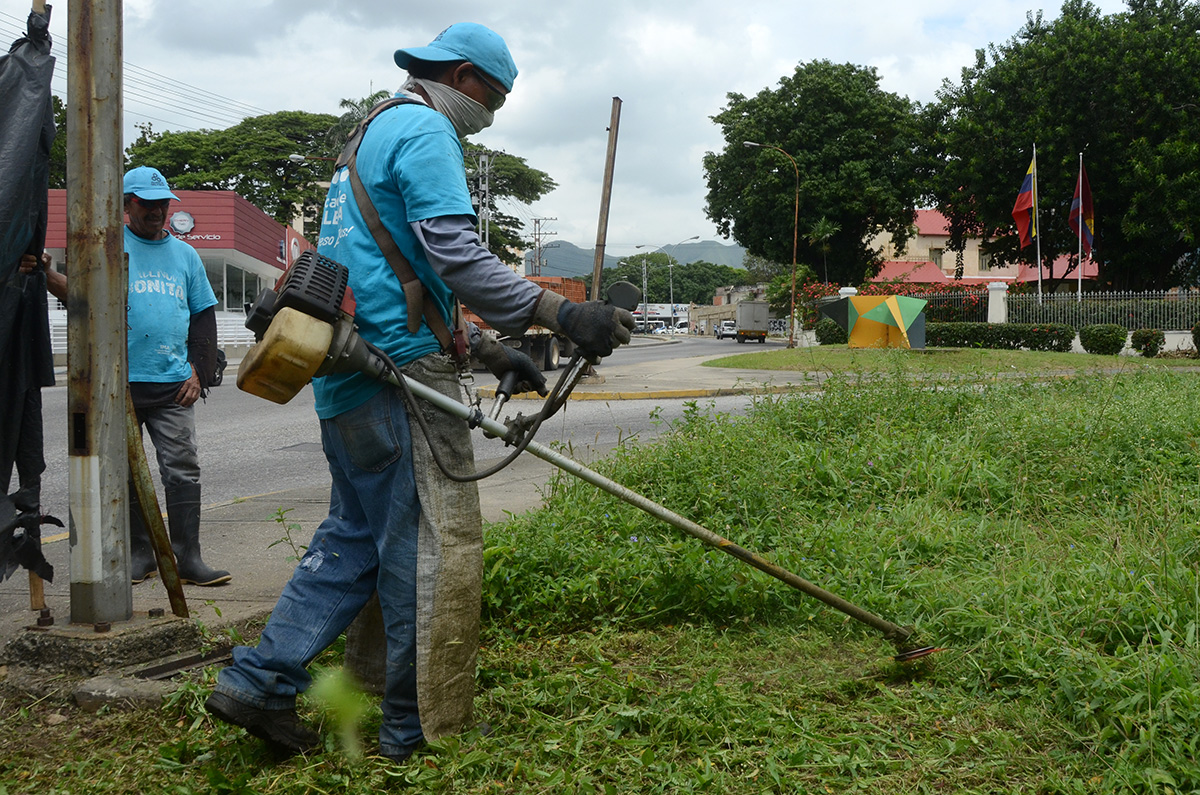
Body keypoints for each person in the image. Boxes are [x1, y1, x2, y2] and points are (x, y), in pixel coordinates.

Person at [205, 22, 634, 762]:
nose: (492, 112)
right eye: (494, 97)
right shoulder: (428, 133)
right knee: (422, 555)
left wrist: (489, 346)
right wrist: (562, 313)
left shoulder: (364, 138)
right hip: (399, 380)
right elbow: (457, 256)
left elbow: (397, 270)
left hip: (347, 373)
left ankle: (260, 679)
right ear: (465, 76)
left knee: (353, 543)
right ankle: (411, 729)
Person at [23, 168, 230, 586]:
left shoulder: (186, 255)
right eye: (146, 203)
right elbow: (80, 295)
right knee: (127, 471)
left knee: (182, 467)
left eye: (162, 204)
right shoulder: (108, 248)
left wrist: (199, 373)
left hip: (173, 383)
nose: (156, 211)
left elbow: (204, 317)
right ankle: (141, 553)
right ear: (126, 206)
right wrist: (46, 274)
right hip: (119, 385)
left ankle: (188, 557)